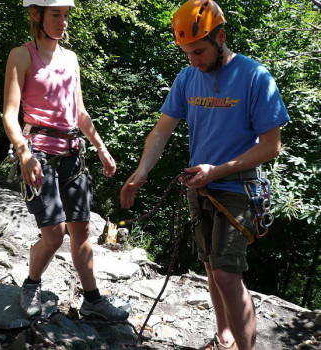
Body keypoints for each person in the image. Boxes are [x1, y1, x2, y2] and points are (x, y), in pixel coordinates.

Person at [120, 0, 289, 349]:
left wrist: (219, 170)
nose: (193, 61)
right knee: (212, 269)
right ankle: (224, 337)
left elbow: (271, 146)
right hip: (199, 186)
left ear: (220, 37)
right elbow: (162, 130)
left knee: (228, 274)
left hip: (237, 186)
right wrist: (141, 173)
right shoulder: (187, 77)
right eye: (187, 53)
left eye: (198, 51)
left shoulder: (255, 77)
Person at [2, 0, 128, 322]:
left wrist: (100, 147)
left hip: (72, 152)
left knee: (82, 230)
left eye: (65, 15)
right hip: (38, 153)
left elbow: (79, 112)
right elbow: (9, 115)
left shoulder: (71, 59)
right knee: (56, 234)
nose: (63, 22)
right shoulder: (21, 55)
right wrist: (23, 152)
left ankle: (93, 300)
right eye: (55, 14)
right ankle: (31, 284)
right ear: (36, 14)